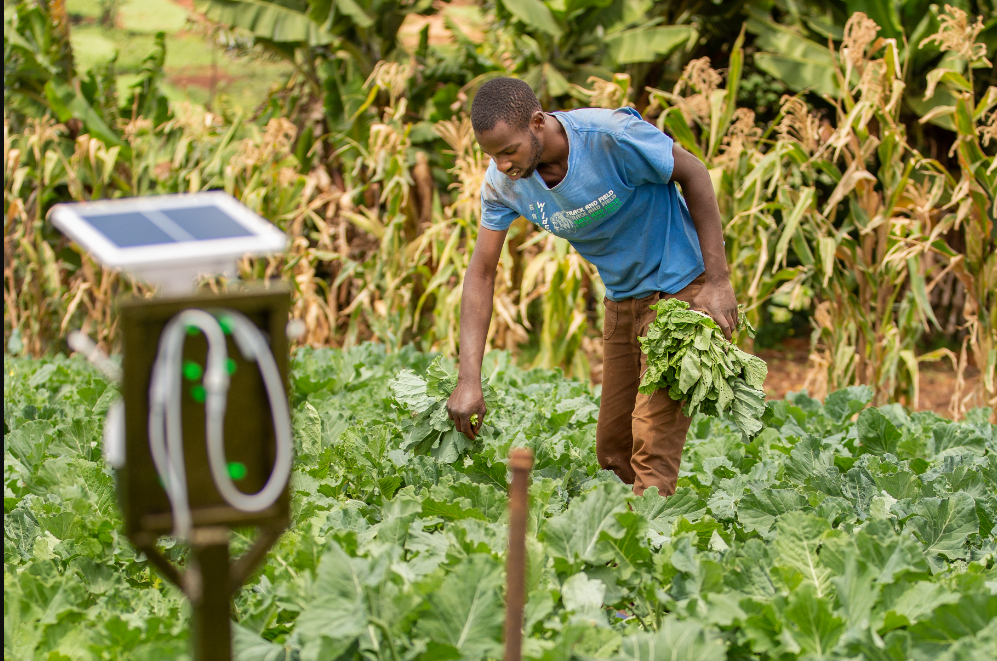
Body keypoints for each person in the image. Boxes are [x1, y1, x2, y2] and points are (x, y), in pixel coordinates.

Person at [445, 77, 738, 496]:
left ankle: (647, 547)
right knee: (614, 451)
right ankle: (633, 533)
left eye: (509, 150)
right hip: (623, 300)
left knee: (652, 444)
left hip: (681, 291)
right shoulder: (502, 183)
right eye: (492, 155)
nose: (503, 164)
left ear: (537, 122)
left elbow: (694, 173)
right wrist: (468, 377)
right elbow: (482, 272)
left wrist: (718, 281)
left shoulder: (611, 137)